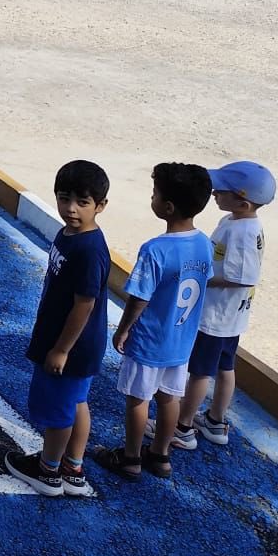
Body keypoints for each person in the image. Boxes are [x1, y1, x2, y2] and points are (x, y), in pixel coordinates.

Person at [97, 163, 213, 480]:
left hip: (150, 340)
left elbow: (140, 297)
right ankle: (161, 456)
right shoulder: (204, 244)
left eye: (155, 194)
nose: (152, 198)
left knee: (138, 400)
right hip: (181, 341)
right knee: (169, 398)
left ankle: (131, 457)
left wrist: (123, 329)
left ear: (168, 207)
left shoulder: (155, 250)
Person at [5, 161, 113, 499]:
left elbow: (85, 303)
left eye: (82, 202)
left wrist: (61, 349)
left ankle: (49, 469)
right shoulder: (67, 234)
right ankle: (73, 466)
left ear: (101, 206)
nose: (70, 209)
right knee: (77, 402)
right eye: (64, 198)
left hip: (73, 346)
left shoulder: (89, 248)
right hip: (73, 342)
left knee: (60, 410)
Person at [177, 160, 275, 450]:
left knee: (200, 371)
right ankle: (215, 420)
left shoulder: (242, 231)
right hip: (230, 318)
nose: (214, 193)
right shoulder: (237, 221)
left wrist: (202, 277)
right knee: (224, 366)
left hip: (216, 317)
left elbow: (241, 277)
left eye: (220, 191)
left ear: (242, 202)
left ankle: (182, 427)